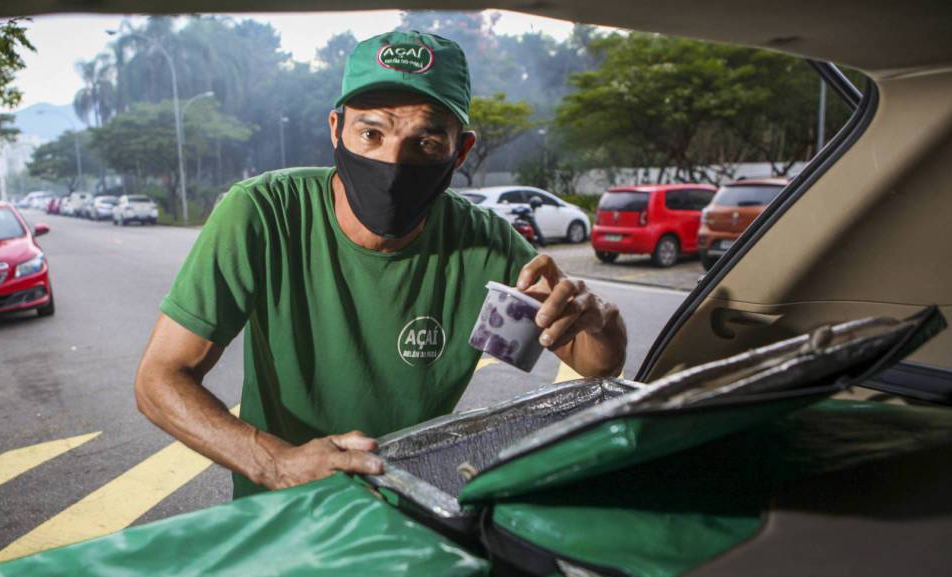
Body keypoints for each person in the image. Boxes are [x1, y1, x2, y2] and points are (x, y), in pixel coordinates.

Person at [135, 31, 627, 499]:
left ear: (461, 152)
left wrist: (600, 319)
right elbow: (160, 379)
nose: (393, 162)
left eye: (426, 143)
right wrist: (276, 463)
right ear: (336, 130)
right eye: (371, 133)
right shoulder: (263, 212)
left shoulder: (487, 246)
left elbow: (595, 366)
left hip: (413, 509)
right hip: (285, 506)